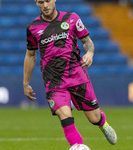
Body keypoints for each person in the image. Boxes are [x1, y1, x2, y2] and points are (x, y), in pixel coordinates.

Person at [23, 0, 117, 148]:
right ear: (36, 3)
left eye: (47, 1)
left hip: (77, 75)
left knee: (94, 117)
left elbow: (87, 41)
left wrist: (90, 53)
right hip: (53, 81)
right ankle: (78, 146)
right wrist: (26, 83)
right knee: (65, 116)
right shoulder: (33, 27)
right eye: (41, 2)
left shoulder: (71, 18)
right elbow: (30, 55)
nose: (45, 5)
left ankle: (102, 123)